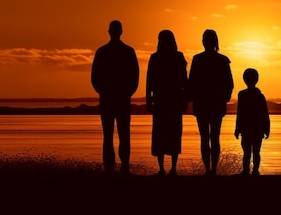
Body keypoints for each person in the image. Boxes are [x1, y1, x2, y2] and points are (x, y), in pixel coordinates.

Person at [91, 20, 140, 174]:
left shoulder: (104, 52)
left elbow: (134, 77)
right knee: (119, 134)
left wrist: (125, 92)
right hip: (115, 98)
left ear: (110, 31)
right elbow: (95, 78)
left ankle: (118, 166)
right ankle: (117, 166)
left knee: (114, 134)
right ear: (120, 31)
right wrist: (109, 92)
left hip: (116, 98)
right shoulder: (125, 51)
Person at [187, 29, 234, 176]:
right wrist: (225, 97)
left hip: (207, 103)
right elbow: (229, 83)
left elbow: (191, 82)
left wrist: (224, 97)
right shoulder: (220, 60)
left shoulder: (201, 59)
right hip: (210, 103)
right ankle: (211, 170)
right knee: (213, 137)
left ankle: (210, 170)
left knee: (208, 138)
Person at [146, 29, 188, 176]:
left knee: (164, 133)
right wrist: (149, 98)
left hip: (166, 100)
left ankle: (165, 168)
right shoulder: (175, 57)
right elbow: (150, 80)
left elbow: (184, 80)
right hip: (169, 100)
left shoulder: (160, 57)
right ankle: (169, 168)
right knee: (169, 133)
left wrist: (149, 99)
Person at [234, 68, 270, 176]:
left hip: (251, 128)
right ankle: (252, 171)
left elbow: (239, 113)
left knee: (250, 152)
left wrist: (237, 128)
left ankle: (251, 171)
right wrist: (266, 128)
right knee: (253, 152)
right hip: (251, 128)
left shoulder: (245, 95)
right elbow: (265, 114)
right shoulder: (256, 96)